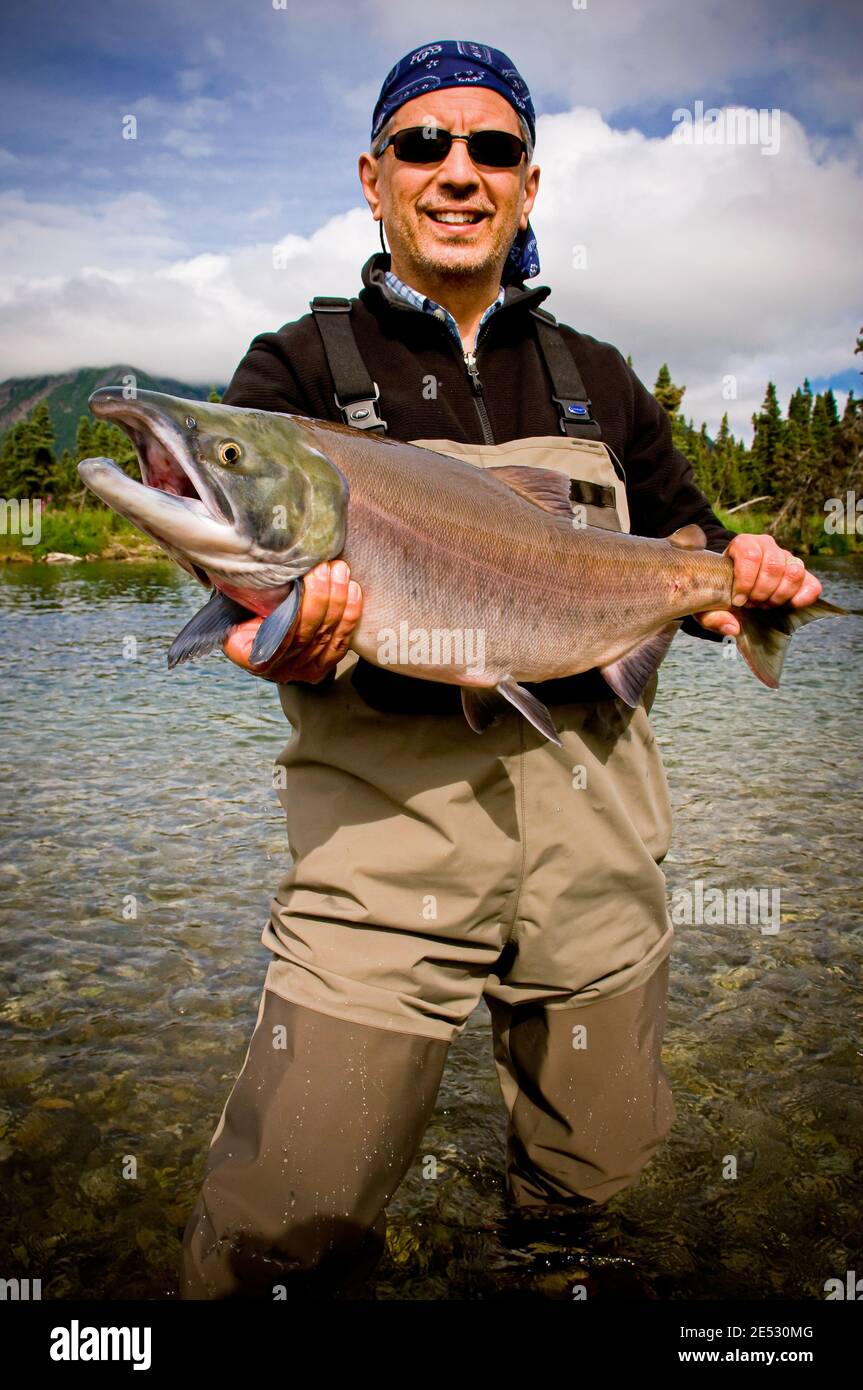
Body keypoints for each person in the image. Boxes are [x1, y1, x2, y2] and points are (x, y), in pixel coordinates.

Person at [180, 39, 823, 1299]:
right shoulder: (297, 372)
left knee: (593, 1212)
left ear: (529, 185)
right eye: (424, 144)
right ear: (374, 178)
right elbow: (236, 577)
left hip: (599, 850)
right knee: (279, 1236)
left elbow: (682, 546)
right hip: (381, 855)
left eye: (493, 148)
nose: (457, 170)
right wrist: (275, 641)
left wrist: (738, 580)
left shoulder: (601, 381)